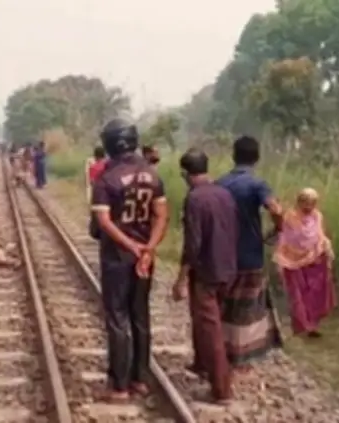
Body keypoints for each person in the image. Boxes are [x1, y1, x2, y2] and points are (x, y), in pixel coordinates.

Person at [91, 118, 169, 402]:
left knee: (117, 318)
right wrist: (148, 248)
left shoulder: (106, 179)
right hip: (144, 257)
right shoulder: (152, 175)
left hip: (117, 257)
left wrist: (131, 246)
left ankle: (120, 385)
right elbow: (161, 216)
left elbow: (103, 221)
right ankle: (140, 379)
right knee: (140, 315)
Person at [172, 148, 238, 405]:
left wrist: (181, 278)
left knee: (211, 330)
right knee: (209, 320)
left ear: (185, 174)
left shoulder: (195, 199)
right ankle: (201, 364)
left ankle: (221, 390)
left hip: (207, 271)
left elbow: (193, 243)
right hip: (228, 267)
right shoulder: (225, 193)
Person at [215, 135, 284, 370]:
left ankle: (221, 352)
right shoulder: (257, 184)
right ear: (256, 157)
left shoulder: (220, 183)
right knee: (246, 307)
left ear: (233, 156)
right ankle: (241, 357)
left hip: (223, 254)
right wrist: (278, 228)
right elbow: (275, 209)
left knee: (225, 303)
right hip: (250, 253)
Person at [273, 188, 336, 337]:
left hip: (315, 259)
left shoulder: (317, 216)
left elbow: (320, 235)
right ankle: (302, 325)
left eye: (312, 203)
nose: (308, 206)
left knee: (314, 293)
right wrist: (280, 259)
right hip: (292, 261)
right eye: (305, 202)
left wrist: (327, 249)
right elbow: (285, 238)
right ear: (299, 202)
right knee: (298, 294)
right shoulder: (290, 217)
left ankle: (312, 325)